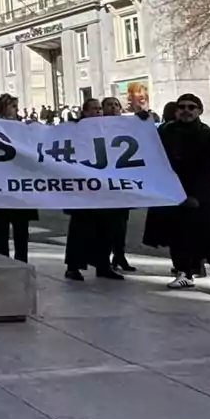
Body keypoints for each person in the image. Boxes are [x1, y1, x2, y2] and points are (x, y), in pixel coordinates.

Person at [161, 94, 210, 295]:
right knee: (178, 235)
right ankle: (184, 273)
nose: (186, 110)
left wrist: (197, 195)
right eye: (182, 107)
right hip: (175, 193)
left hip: (202, 196)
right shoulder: (167, 132)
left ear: (199, 110)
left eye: (192, 107)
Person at [63, 98, 123, 282]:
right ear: (85, 112)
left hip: (104, 186)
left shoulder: (108, 127)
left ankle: (103, 266)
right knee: (80, 228)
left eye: (99, 109)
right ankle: (73, 267)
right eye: (94, 109)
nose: (98, 112)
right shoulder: (76, 128)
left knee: (106, 228)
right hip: (83, 186)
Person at [0, 94, 37, 262]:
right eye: (13, 106)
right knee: (1, 227)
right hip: (0, 184)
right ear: (3, 108)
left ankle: (21, 261)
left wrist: (32, 129)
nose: (16, 110)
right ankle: (2, 261)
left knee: (21, 228)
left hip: (20, 184)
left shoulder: (23, 127)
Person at [101, 96, 136, 271]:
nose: (114, 108)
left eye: (116, 105)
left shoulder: (126, 126)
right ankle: (104, 259)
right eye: (109, 105)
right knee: (107, 225)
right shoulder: (96, 126)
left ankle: (119, 256)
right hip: (105, 183)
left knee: (122, 223)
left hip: (122, 181)